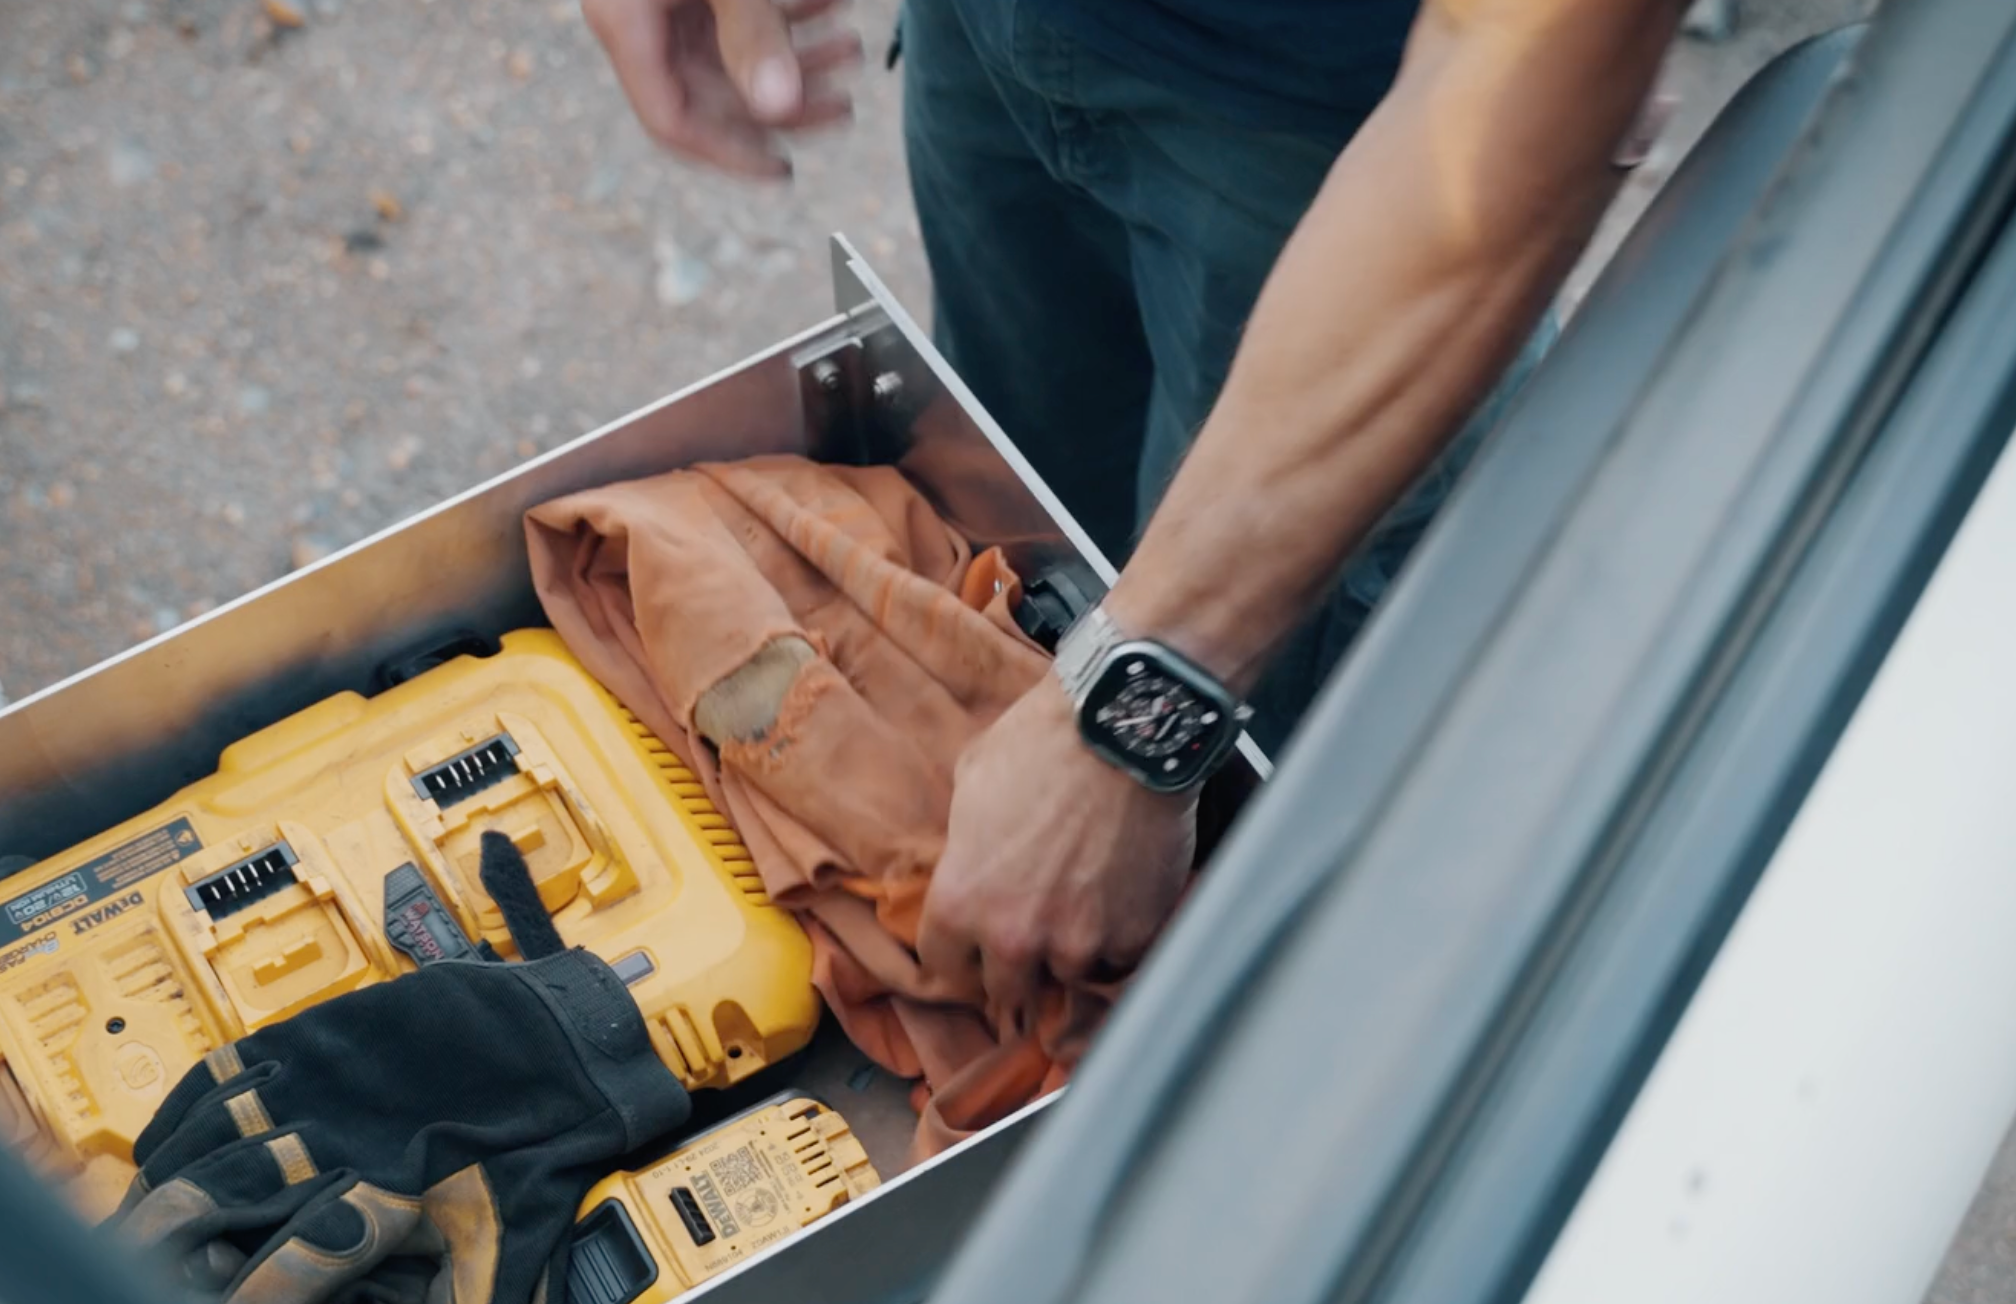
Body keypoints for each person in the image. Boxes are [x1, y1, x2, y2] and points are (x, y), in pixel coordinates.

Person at [583, 0, 1685, 1029]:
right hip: (992, 39)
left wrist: (1133, 716)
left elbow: (1527, 81)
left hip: (1335, 130)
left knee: (1299, 755)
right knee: (1027, 526)